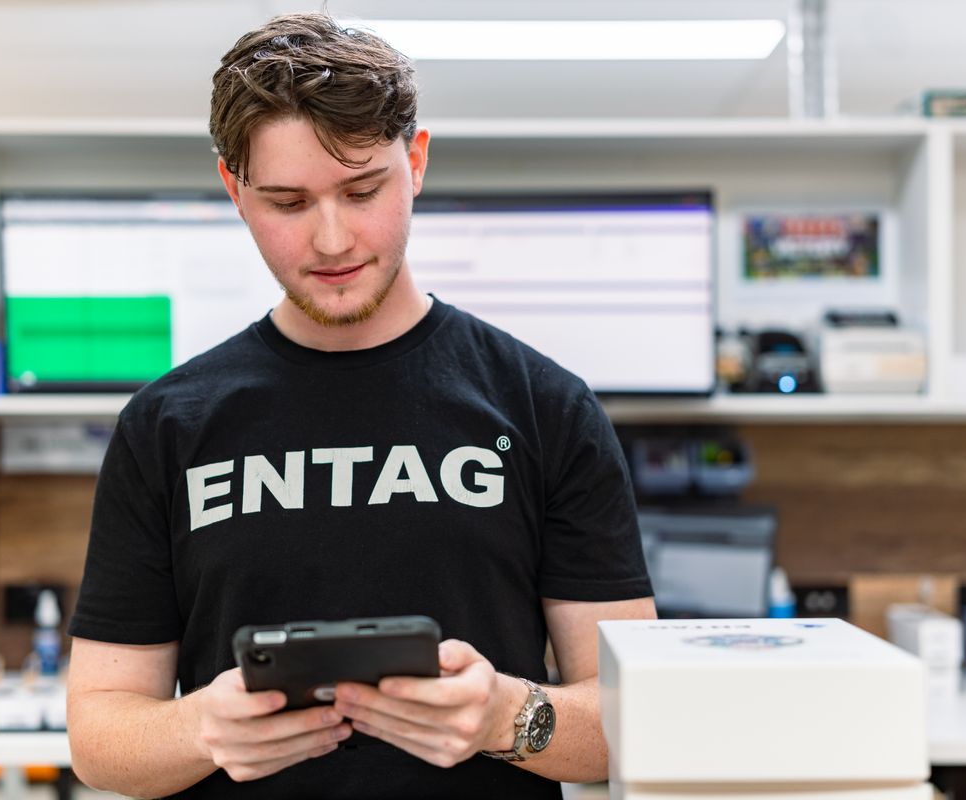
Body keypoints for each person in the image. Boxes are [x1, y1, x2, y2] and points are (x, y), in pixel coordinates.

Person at [66, 13, 655, 800]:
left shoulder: (544, 407)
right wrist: (201, 727)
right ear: (234, 191)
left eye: (362, 189)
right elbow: (99, 734)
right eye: (287, 202)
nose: (333, 239)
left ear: (415, 161)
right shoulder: (167, 426)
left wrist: (506, 716)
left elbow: (640, 723)